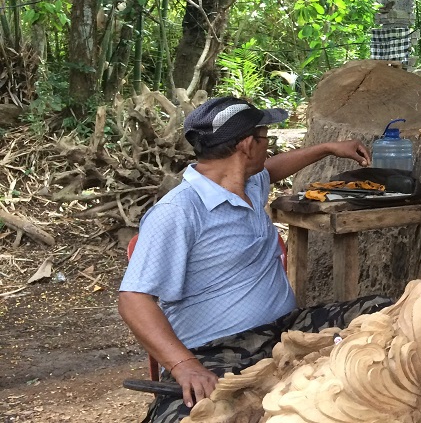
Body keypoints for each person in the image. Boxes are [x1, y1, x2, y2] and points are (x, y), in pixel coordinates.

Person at [119, 96, 391, 423]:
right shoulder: (177, 213)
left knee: (385, 311)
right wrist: (185, 366)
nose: (269, 148)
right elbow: (133, 300)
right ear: (247, 145)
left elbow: (274, 168)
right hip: (217, 351)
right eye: (266, 139)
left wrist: (328, 148)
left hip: (286, 330)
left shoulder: (248, 183)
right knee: (191, 418)